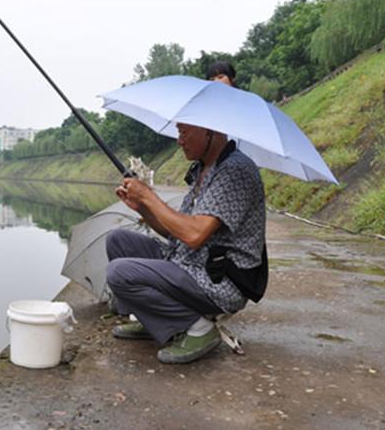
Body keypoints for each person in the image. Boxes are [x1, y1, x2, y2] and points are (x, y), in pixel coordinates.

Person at [105, 62, 268, 364]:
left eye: (184, 131)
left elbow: (194, 235)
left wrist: (151, 196)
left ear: (211, 132)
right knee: (117, 242)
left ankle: (198, 327)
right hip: (191, 262)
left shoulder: (235, 171)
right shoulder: (202, 170)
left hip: (218, 280)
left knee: (119, 273)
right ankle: (154, 318)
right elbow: (175, 232)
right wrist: (144, 208)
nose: (179, 139)